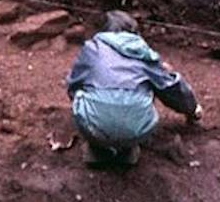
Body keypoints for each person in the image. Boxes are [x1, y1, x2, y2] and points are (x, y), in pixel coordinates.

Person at [66, 9, 200, 168]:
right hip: (137, 128)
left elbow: (74, 83)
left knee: (86, 94)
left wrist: (84, 105)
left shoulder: (91, 49)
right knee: (146, 89)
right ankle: (127, 146)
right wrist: (191, 109)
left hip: (94, 126)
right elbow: (170, 87)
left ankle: (98, 147)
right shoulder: (145, 54)